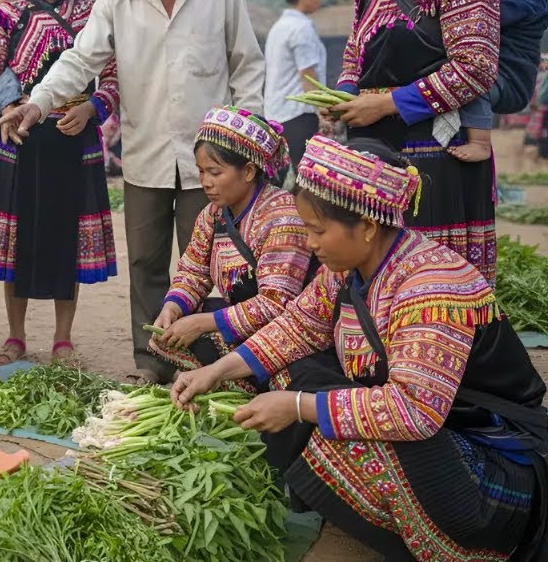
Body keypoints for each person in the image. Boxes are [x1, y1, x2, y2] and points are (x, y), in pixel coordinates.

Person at [172, 136, 548, 561]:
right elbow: (297, 327)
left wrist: (298, 407)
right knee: (294, 373)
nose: (310, 244)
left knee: (333, 428)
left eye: (317, 231)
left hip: (492, 454)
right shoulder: (348, 268)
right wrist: (216, 372)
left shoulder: (431, 285)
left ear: (367, 226)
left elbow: (413, 413)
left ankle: (464, 546)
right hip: (442, 430)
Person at [0, 0, 266, 383]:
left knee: (209, 261)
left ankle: (215, 365)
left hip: (211, 159)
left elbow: (246, 65)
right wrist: (38, 102)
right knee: (145, 262)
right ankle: (152, 362)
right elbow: (80, 60)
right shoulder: (119, 0)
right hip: (147, 156)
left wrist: (246, 139)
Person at [326, 0, 500, 284]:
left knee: (435, 283)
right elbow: (354, 55)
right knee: (377, 276)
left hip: (440, 158)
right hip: (375, 155)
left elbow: (474, 68)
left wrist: (385, 104)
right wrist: (343, 95)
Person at [0, 0, 121, 366]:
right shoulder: (8, 14)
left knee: (66, 239)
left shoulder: (95, 12)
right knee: (18, 240)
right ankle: (14, 336)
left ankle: (62, 338)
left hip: (76, 142)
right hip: (17, 141)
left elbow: (114, 76)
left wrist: (94, 108)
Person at [150, 107, 312, 391]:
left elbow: (276, 304)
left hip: (285, 329)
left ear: (248, 171)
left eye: (215, 172)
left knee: (202, 331)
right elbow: (193, 271)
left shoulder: (282, 218)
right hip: (246, 321)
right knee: (168, 336)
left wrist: (204, 323)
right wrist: (172, 307)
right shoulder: (212, 215)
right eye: (201, 172)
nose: (205, 182)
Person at [449, 0, 548, 163]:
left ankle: (481, 143)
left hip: (511, 82)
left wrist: (455, 9)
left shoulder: (528, 0)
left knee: (473, 83)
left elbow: (491, 18)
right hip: (498, 73)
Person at [265, 0, 327, 173]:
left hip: (277, 114)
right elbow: (308, 76)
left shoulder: (279, 27)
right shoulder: (301, 28)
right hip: (298, 115)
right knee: (305, 181)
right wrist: (323, 113)